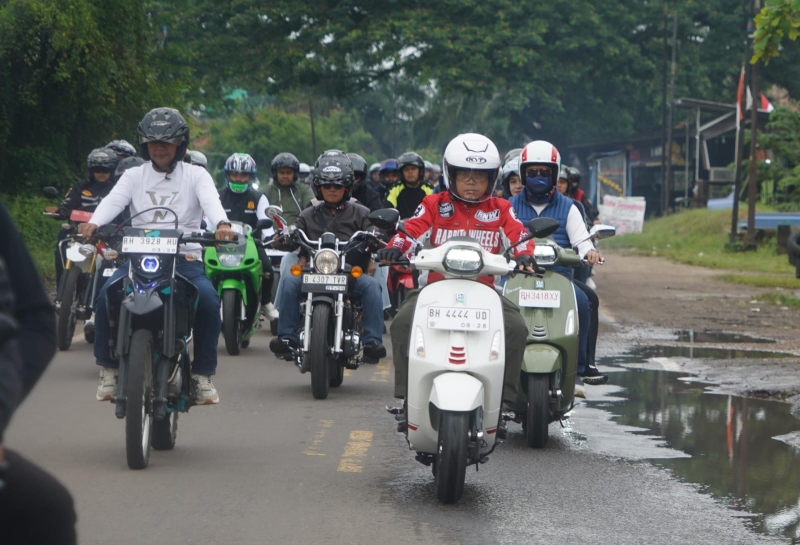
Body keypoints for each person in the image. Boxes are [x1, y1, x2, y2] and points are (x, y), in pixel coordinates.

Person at [78, 107, 236, 404]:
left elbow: (212, 203)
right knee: (105, 296)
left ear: (181, 144)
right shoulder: (133, 175)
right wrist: (94, 223)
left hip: (184, 259)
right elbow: (113, 201)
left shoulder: (196, 175)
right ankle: (108, 369)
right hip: (138, 260)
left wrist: (222, 225)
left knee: (208, 302)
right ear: (144, 145)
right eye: (153, 142)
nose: (159, 148)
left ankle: (202, 375)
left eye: (167, 141)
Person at [378, 133, 536, 413]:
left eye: (480, 176)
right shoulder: (433, 204)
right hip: (434, 290)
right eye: (464, 175)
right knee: (401, 324)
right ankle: (406, 396)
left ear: (492, 178)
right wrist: (395, 247)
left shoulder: (501, 208)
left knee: (516, 328)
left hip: (485, 292)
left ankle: (504, 400)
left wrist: (525, 254)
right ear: (451, 174)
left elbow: (519, 234)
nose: (471, 182)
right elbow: (411, 230)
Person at [0, 200, 77, 544]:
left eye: (107, 173)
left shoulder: (197, 181)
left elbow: (33, 318)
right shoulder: (127, 182)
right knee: (110, 299)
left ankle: (201, 372)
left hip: (178, 262)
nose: (102, 175)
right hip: (109, 250)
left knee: (47, 508)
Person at [269, 151, 386, 362]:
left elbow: (374, 232)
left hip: (348, 274)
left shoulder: (361, 212)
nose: (332, 189)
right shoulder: (308, 214)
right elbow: (293, 234)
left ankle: (372, 341)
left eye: (337, 186)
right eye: (327, 185)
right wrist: (282, 237)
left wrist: (376, 237)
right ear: (319, 187)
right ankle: (286, 338)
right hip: (313, 273)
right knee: (289, 282)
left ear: (347, 187)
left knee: (371, 286)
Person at [508, 141, 606, 385]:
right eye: (532, 172)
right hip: (518, 276)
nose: (538, 177)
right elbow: (501, 241)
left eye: (545, 172)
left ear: (555, 174)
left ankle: (583, 365)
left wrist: (589, 252)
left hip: (559, 277)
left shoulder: (569, 207)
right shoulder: (509, 206)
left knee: (585, 301)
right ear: (523, 174)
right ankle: (499, 364)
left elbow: (582, 239)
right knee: (495, 305)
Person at [48, 148, 120, 286]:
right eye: (97, 170)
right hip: (78, 230)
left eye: (105, 170)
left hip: (109, 232)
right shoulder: (81, 187)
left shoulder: (119, 188)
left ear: (112, 170)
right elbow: (67, 205)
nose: (101, 173)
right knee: (62, 242)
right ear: (91, 170)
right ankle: (61, 288)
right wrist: (58, 211)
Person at [218, 153, 277, 318]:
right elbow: (207, 223)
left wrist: (270, 236)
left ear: (251, 176)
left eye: (243, 175)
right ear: (227, 174)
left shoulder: (259, 198)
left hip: (251, 244)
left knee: (267, 268)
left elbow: (267, 224)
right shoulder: (217, 197)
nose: (238, 178)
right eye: (234, 174)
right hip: (219, 244)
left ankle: (265, 302)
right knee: (200, 267)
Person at [264, 152, 315, 314]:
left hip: (297, 243)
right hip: (269, 241)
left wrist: (295, 232)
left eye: (289, 172)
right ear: (275, 173)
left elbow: (312, 211)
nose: (285, 176)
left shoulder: (304, 190)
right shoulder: (266, 191)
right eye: (282, 172)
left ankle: (282, 310)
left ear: (295, 174)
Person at [385, 151, 434, 219]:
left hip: (425, 224)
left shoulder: (429, 189)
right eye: (406, 169)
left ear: (420, 171)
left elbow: (435, 211)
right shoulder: (394, 190)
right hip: (400, 225)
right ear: (401, 173)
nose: (410, 172)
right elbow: (388, 210)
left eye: (413, 168)